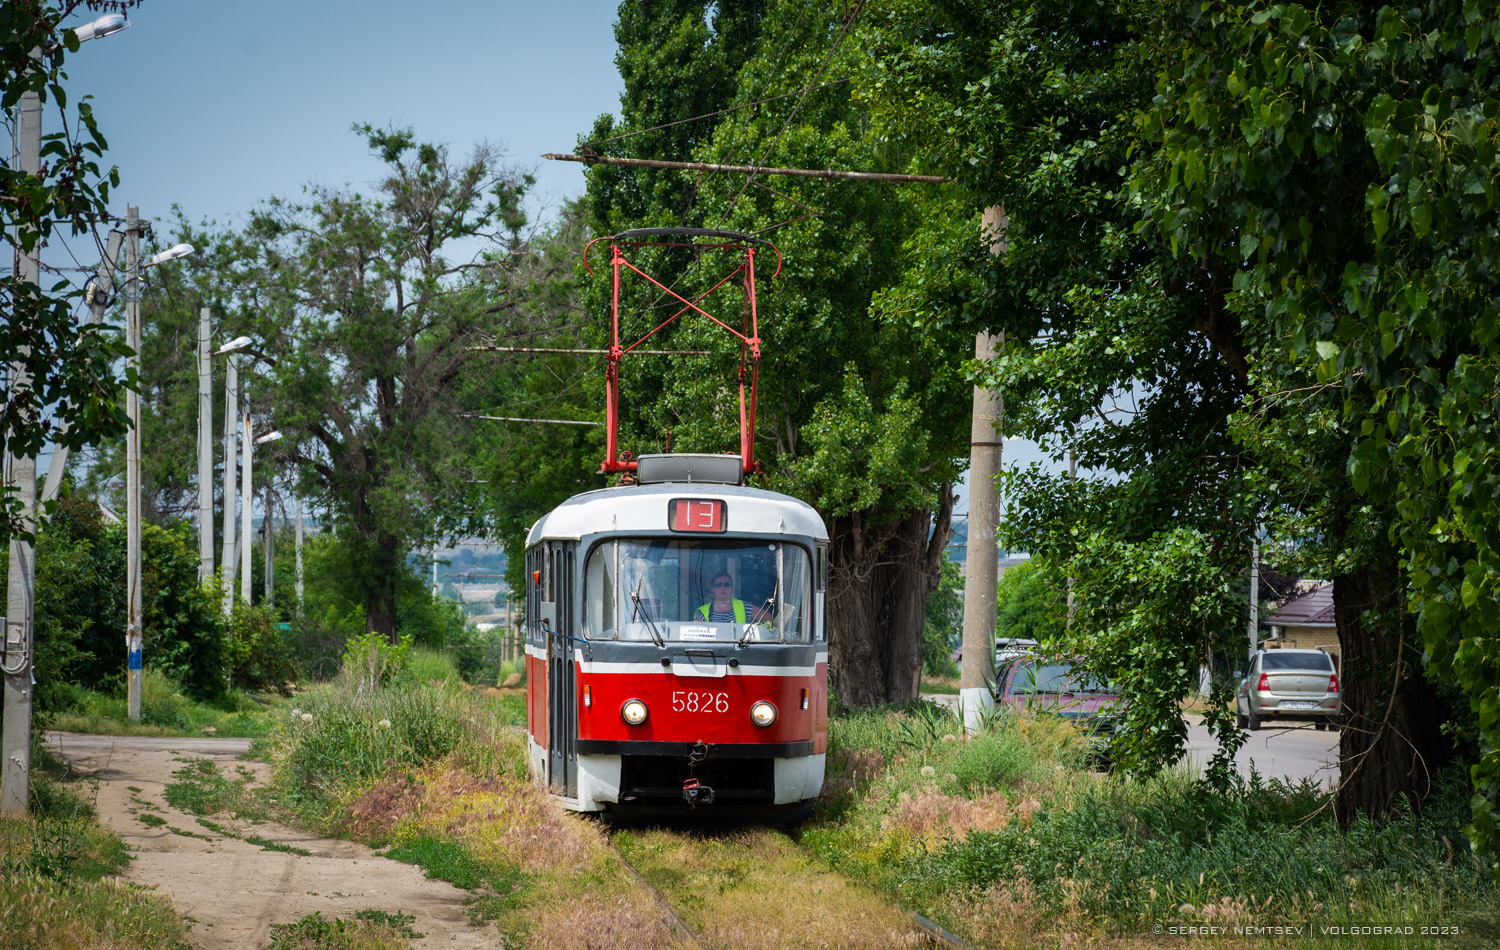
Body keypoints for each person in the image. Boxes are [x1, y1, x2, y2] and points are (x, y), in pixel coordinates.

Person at [696, 572, 771, 624]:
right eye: (718, 585)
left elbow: (769, 618)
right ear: (713, 589)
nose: (723, 588)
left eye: (727, 584)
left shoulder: (744, 607)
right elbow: (697, 635)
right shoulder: (703, 612)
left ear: (731, 587)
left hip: (740, 646)